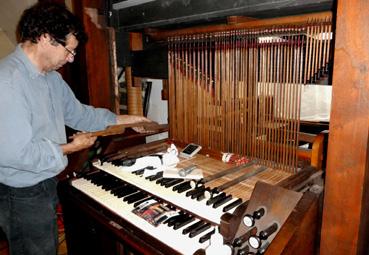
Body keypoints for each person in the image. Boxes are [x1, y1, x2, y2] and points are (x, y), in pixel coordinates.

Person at [0, 2, 151, 255]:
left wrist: (131, 119)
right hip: (20, 193)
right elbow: (16, 154)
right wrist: (71, 147)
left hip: (44, 181)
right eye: (69, 50)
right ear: (46, 38)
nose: (71, 59)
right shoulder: (7, 81)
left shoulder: (52, 79)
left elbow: (81, 115)